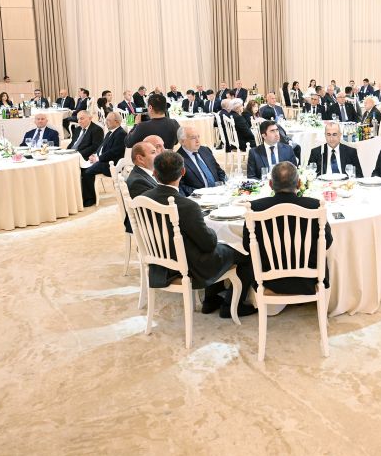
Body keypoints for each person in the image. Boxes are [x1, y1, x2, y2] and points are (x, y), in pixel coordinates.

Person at [140, 151, 256, 318]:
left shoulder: (142, 199)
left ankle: (210, 300)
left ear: (155, 173)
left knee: (216, 247)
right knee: (246, 253)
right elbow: (208, 244)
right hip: (190, 265)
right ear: (183, 172)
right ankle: (232, 306)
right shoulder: (187, 206)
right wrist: (214, 232)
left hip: (160, 264)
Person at [241, 161, 333, 297]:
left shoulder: (255, 208)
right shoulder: (315, 206)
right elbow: (327, 242)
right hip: (309, 280)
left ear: (270, 184)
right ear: (299, 184)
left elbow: (247, 245)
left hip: (269, 280)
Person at [81, 112, 128, 207]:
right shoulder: (110, 132)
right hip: (104, 160)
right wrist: (95, 155)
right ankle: (85, 196)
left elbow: (114, 152)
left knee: (87, 172)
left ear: (117, 122)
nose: (106, 122)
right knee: (82, 168)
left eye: (108, 120)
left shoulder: (121, 134)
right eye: (106, 120)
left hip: (112, 164)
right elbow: (101, 147)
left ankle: (90, 200)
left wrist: (98, 159)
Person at [176, 126, 226, 196]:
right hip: (199, 197)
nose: (198, 141)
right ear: (182, 141)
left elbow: (219, 171)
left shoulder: (205, 150)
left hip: (219, 193)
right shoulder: (177, 159)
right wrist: (202, 192)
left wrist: (223, 184)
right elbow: (180, 186)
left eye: (198, 137)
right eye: (193, 138)